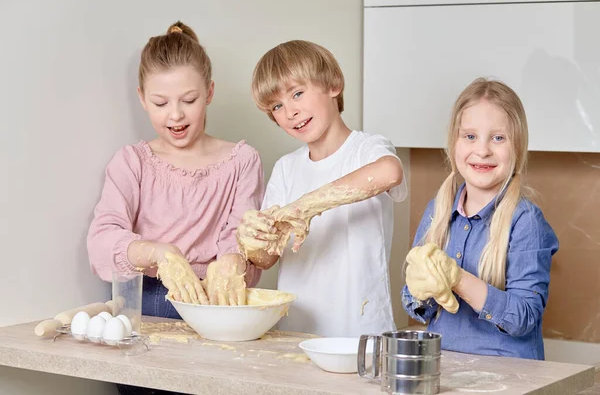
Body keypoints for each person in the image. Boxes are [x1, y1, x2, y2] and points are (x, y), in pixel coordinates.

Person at [87, 21, 264, 321]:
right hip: (147, 299)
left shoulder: (242, 161)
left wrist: (233, 261)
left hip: (217, 298)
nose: (176, 114)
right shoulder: (132, 162)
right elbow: (101, 243)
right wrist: (159, 254)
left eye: (189, 100)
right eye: (160, 102)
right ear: (142, 98)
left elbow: (241, 237)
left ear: (209, 92)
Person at [236, 40, 407, 337]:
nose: (290, 111)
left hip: (361, 328)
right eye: (277, 106)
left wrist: (305, 206)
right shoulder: (286, 168)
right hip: (296, 330)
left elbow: (390, 172)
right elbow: (267, 259)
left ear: (333, 85)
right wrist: (253, 241)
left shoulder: (366, 149)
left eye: (297, 94)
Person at [401, 78, 559, 360]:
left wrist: (457, 279)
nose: (483, 150)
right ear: (454, 143)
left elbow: (524, 317)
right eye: (470, 136)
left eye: (498, 138)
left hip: (511, 378)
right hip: (445, 367)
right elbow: (415, 306)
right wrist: (419, 288)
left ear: (517, 146)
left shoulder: (525, 221)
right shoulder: (437, 212)